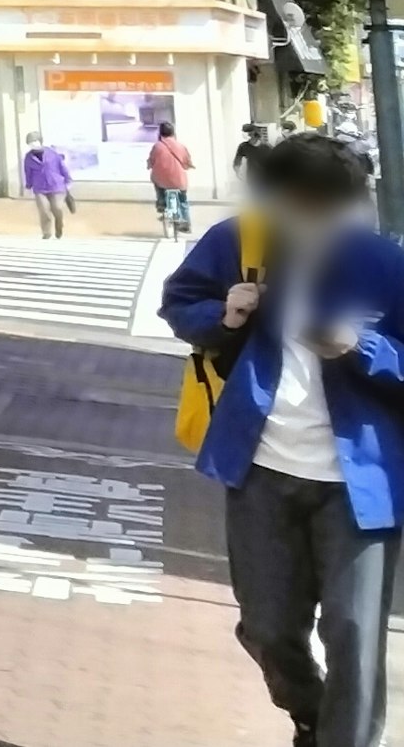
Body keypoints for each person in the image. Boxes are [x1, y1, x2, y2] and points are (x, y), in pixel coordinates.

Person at [162, 134, 404, 747]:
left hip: (359, 484)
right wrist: (226, 314)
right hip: (261, 468)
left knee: (353, 632)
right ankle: (311, 713)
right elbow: (180, 301)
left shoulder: (384, 264)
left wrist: (363, 347)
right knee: (268, 627)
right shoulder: (238, 244)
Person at [22, 134, 76, 239]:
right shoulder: (29, 157)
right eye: (30, 142)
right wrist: (28, 185)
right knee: (44, 209)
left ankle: (59, 226)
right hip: (39, 187)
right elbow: (28, 172)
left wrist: (68, 179)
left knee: (57, 208)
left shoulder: (52, 153)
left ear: (40, 141)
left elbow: (61, 166)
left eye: (34, 141)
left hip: (56, 186)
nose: (33, 143)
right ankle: (46, 232)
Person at [153, 121, 199, 236]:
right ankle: (186, 225)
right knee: (183, 200)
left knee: (157, 183)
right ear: (173, 132)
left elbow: (151, 160)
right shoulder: (181, 146)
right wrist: (188, 166)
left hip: (162, 181)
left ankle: (162, 205)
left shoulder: (157, 146)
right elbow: (187, 161)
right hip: (179, 181)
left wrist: (150, 164)